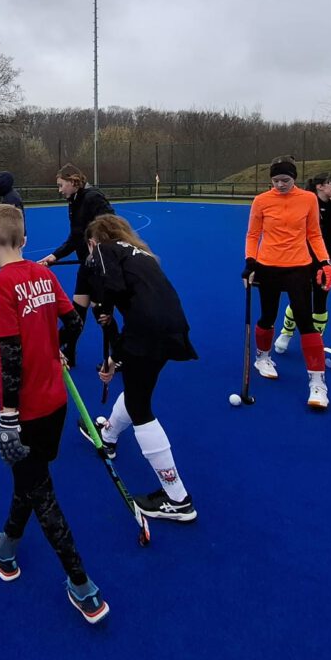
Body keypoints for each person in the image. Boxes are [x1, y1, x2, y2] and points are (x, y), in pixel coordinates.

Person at [0, 203, 107, 624]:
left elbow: (11, 355)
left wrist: (9, 415)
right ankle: (6, 547)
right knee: (30, 481)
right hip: (55, 403)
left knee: (41, 492)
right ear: (25, 240)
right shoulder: (44, 274)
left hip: (27, 409)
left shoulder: (0, 284)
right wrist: (58, 349)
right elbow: (75, 323)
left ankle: (82, 584)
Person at [79, 214, 199, 521]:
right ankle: (108, 437)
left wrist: (104, 309)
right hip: (171, 326)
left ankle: (177, 498)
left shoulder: (103, 250)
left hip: (147, 330)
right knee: (137, 389)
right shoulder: (140, 253)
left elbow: (111, 286)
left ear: (93, 241)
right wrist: (115, 357)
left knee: (139, 407)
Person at [244, 157, 331, 410]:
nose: (280, 185)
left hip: (298, 267)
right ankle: (262, 358)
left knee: (305, 321)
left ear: (294, 178)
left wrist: (325, 262)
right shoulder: (261, 201)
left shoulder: (308, 199)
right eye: (275, 181)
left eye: (285, 180)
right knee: (268, 316)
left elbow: (314, 234)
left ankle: (317, 382)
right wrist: (250, 263)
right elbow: (253, 235)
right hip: (268, 266)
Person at [35, 164, 113, 368]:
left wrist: (98, 251)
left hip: (99, 267)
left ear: (73, 181)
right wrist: (54, 256)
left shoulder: (93, 198)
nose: (59, 190)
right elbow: (75, 238)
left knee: (100, 313)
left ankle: (119, 356)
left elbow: (112, 227)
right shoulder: (74, 201)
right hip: (86, 266)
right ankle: (69, 352)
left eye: (61, 185)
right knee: (77, 312)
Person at [274, 172, 331, 356]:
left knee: (320, 302)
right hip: (303, 258)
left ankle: (315, 340)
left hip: (324, 261)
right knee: (300, 299)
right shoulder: (307, 202)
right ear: (320, 186)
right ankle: (286, 333)